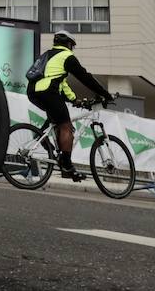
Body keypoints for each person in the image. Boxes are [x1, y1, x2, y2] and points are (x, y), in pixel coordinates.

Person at [26, 32, 113, 180]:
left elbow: (61, 82)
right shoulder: (67, 56)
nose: (72, 49)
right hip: (48, 92)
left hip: (33, 91)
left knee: (57, 120)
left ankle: (44, 141)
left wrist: (75, 100)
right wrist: (105, 94)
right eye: (72, 46)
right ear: (69, 44)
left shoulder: (48, 55)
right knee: (66, 126)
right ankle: (66, 165)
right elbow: (85, 77)